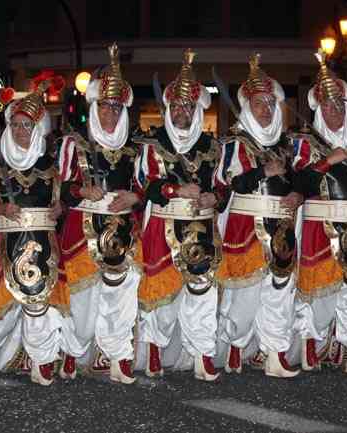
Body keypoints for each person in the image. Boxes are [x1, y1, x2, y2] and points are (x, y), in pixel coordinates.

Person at [0, 73, 83, 385]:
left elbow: (64, 200)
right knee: (0, 307)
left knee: (40, 304)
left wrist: (60, 208)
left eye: (27, 126)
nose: (21, 131)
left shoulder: (51, 167)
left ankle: (42, 359)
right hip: (5, 245)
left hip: (44, 245)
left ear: (37, 129)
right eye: (17, 125)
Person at [59, 43, 143, 384]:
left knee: (121, 295)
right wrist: (81, 191)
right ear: (94, 106)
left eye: (116, 107)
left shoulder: (134, 147)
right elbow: (61, 188)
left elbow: (146, 187)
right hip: (83, 228)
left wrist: (135, 197)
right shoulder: (73, 143)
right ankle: (73, 350)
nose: (110, 112)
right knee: (83, 299)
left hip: (122, 228)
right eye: (105, 106)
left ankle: (117, 355)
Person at [135, 50, 222, 381]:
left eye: (188, 106)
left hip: (202, 226)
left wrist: (216, 196)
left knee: (202, 291)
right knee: (162, 294)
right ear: (168, 108)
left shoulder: (211, 146)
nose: (182, 111)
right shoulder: (152, 144)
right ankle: (155, 353)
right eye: (176, 106)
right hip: (164, 225)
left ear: (198, 109)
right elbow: (146, 184)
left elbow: (223, 184)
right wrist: (175, 189)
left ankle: (202, 355)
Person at [289, 50, 347, 376]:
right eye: (327, 105)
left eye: (339, 104)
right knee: (317, 291)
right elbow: (300, 181)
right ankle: (311, 347)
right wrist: (329, 161)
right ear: (319, 109)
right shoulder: (304, 142)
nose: (334, 110)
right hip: (319, 225)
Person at [214, 54, 299, 378]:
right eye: (259, 103)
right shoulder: (235, 144)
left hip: (282, 225)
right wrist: (263, 171)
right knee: (245, 295)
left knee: (279, 291)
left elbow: (298, 180)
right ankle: (236, 348)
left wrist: (298, 193)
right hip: (246, 226)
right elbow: (228, 183)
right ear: (248, 107)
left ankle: (274, 353)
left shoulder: (285, 145)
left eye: (270, 103)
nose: (265, 109)